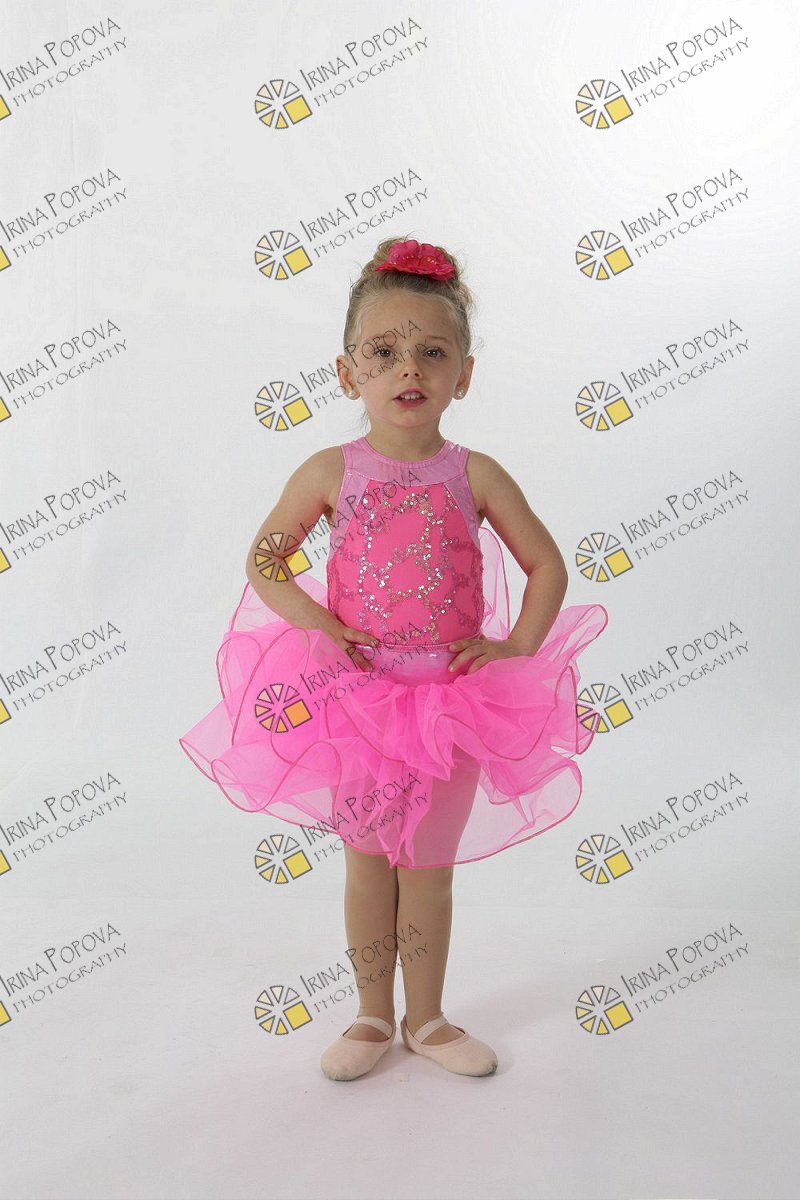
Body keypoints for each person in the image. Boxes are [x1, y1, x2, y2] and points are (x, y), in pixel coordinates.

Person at [178, 235, 609, 1082]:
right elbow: (265, 557)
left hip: (454, 704)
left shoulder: (475, 475)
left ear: (464, 375)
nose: (408, 367)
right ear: (348, 374)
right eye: (383, 351)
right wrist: (316, 623)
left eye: (432, 352)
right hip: (357, 702)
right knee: (370, 866)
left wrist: (516, 647)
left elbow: (547, 565)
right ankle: (373, 1014)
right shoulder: (330, 471)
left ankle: (430, 1019)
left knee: (430, 871)